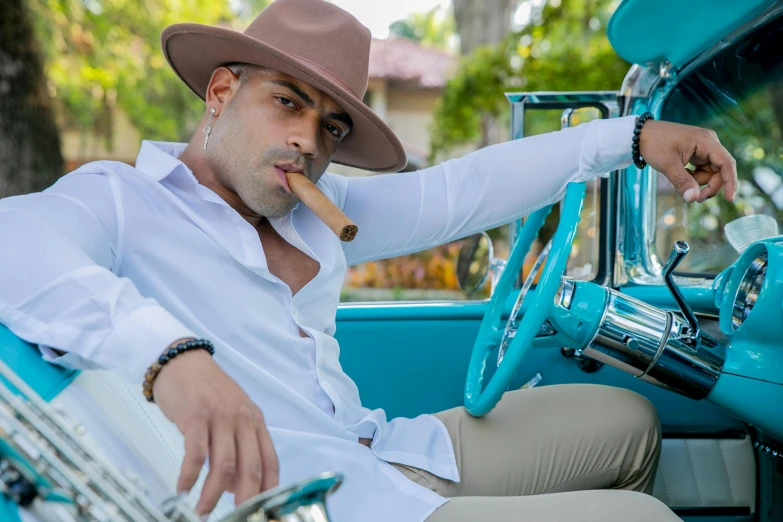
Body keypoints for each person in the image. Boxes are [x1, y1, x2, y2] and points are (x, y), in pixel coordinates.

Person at [0, 0, 738, 521]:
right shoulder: (122, 200)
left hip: (381, 451)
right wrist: (171, 356)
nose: (308, 142)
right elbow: (12, 243)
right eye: (285, 103)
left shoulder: (319, 215)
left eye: (330, 125)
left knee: (629, 419)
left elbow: (462, 190)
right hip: (320, 503)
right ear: (221, 92)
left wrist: (633, 139)